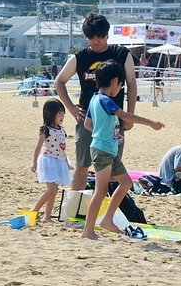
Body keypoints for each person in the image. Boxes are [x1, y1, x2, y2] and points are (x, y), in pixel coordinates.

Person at [53, 13, 138, 196]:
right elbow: (59, 81)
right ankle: (75, 207)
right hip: (87, 119)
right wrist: (71, 108)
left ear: (107, 35)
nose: (96, 41)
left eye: (100, 36)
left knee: (113, 167)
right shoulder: (80, 57)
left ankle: (109, 207)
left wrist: (130, 115)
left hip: (114, 120)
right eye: (91, 37)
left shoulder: (121, 54)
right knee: (82, 166)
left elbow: (131, 84)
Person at [82, 61, 164, 240]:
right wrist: (150, 123)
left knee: (126, 183)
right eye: (120, 85)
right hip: (102, 151)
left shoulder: (94, 99)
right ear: (114, 81)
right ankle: (88, 230)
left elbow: (88, 124)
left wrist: (105, 131)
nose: (120, 88)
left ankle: (107, 219)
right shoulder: (105, 100)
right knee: (100, 190)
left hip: (109, 150)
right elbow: (125, 115)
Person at [30, 99, 70, 224]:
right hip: (48, 161)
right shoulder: (46, 129)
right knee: (51, 189)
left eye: (63, 113)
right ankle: (34, 211)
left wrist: (66, 163)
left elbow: (62, 148)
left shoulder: (61, 129)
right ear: (51, 114)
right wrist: (34, 163)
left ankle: (47, 216)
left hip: (59, 161)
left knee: (55, 190)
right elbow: (38, 146)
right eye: (59, 113)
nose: (62, 116)